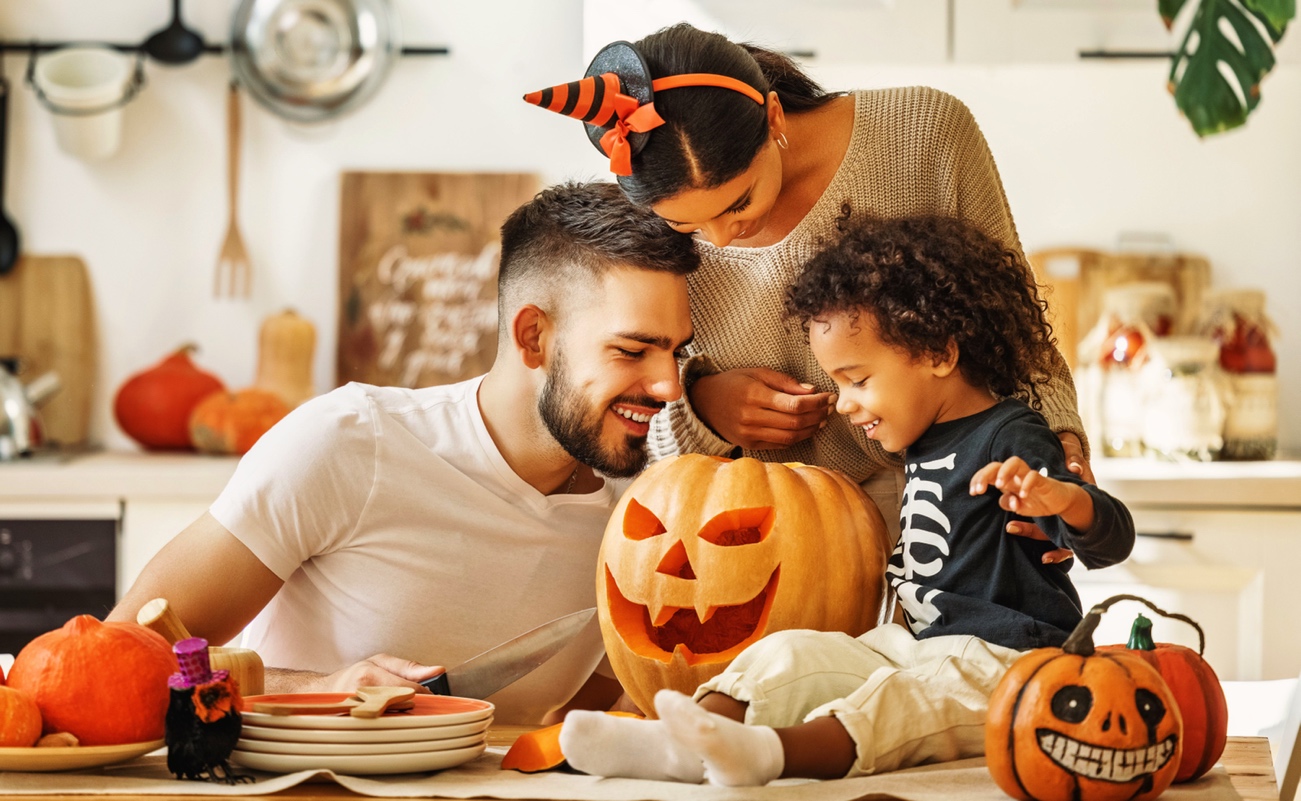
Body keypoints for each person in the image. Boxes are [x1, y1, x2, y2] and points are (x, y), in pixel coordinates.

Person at [558, 214, 1136, 784]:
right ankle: (681, 742)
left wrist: (1062, 499)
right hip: (914, 646)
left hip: (1012, 662)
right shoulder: (923, 438)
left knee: (898, 703)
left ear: (939, 353)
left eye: (857, 380)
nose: (842, 403)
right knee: (793, 653)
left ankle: (770, 755)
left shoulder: (1012, 436)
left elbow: (1112, 539)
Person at [107, 181, 699, 725]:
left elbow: (555, 728)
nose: (668, 385)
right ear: (533, 337)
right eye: (632, 351)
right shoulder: (348, 441)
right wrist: (316, 688)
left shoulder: (642, 521)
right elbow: (122, 656)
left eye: (675, 352)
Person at [524, 23, 1093, 546]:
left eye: (740, 201)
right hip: (752, 534)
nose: (719, 240)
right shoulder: (639, 225)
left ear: (773, 119)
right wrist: (702, 410)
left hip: (950, 507)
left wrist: (1058, 447)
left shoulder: (924, 135)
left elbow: (1011, 326)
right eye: (687, 225)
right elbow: (626, 430)